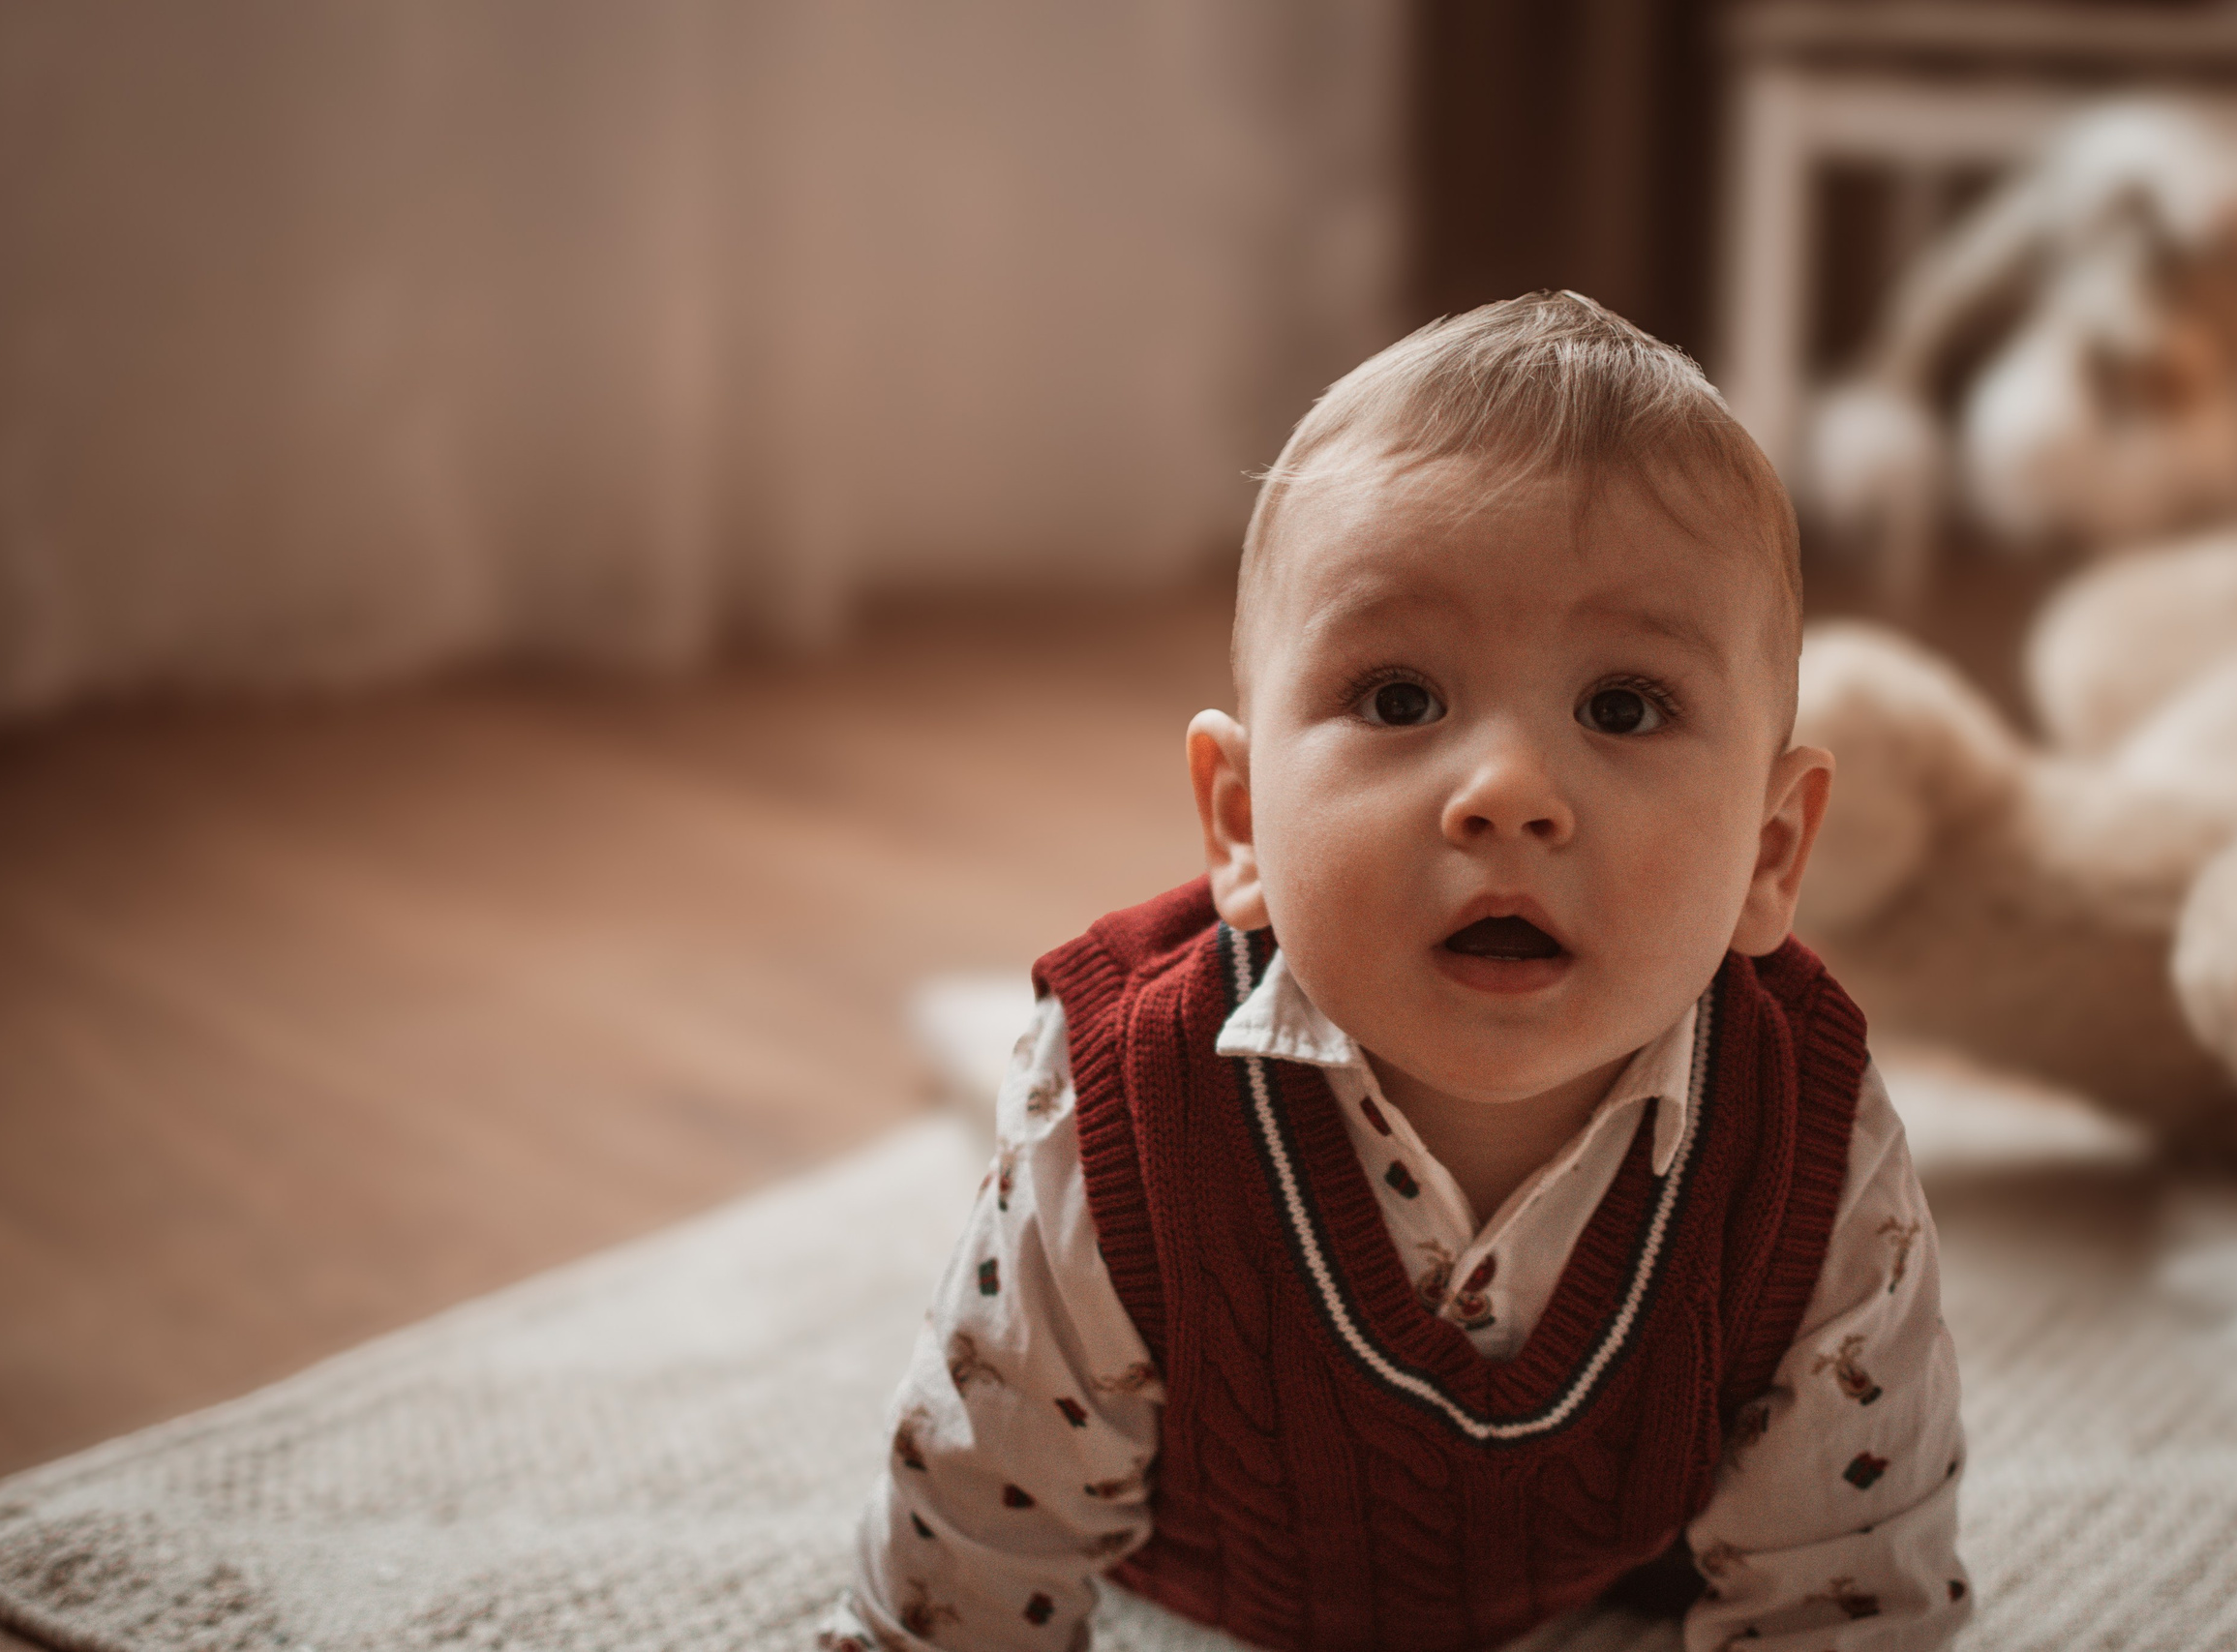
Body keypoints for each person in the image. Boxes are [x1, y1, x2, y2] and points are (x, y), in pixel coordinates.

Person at [821, 292, 1970, 1652]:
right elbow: (972, 1539)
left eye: (1624, 706)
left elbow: (1847, 1580)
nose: (1507, 791)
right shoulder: (1123, 1109)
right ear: (1240, 822)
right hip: (1215, 1588)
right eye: (1400, 699)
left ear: (1771, 853)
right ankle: (977, 1070)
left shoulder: (1808, 1136)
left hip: (1613, 1579)